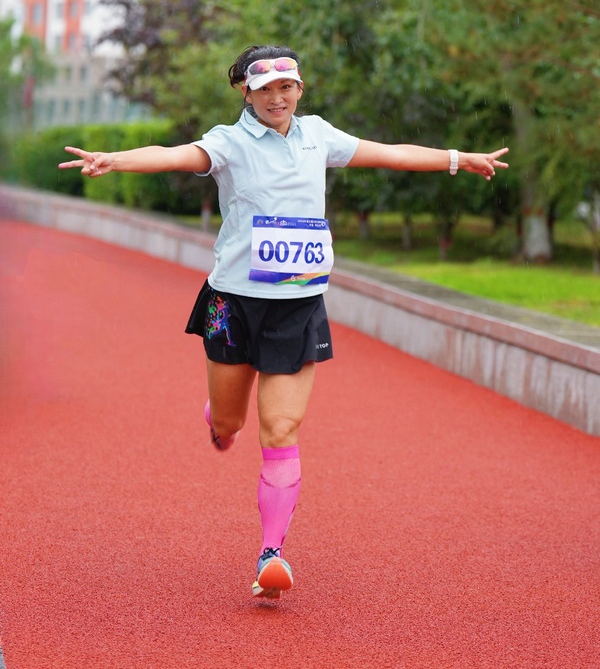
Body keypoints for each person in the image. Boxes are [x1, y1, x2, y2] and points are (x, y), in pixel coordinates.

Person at [59, 44, 509, 600]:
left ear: (300, 88)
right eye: (265, 89)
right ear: (245, 92)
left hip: (298, 302)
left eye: (287, 87)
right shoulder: (229, 142)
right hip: (233, 303)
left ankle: (271, 554)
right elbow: (175, 155)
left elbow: (389, 153)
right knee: (231, 423)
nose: (277, 98)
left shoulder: (319, 135)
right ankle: (220, 419)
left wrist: (459, 159)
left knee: (280, 431)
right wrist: (116, 160)